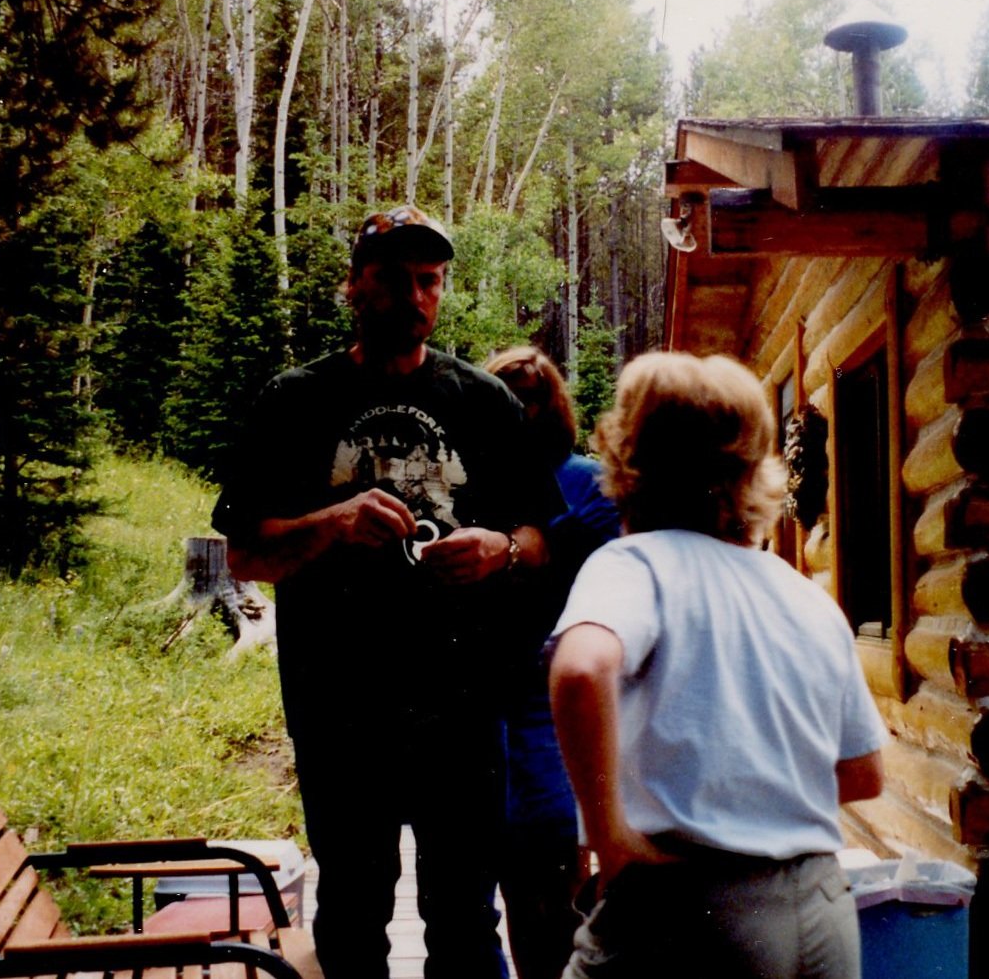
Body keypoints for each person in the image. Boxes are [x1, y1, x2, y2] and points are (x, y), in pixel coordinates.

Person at [211, 205, 563, 979]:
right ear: (354, 286)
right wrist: (333, 523)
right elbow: (244, 553)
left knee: (466, 921)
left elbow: (543, 540)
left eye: (429, 280)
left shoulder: (484, 402)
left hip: (463, 711)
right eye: (394, 278)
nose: (414, 296)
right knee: (352, 914)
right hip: (339, 710)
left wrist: (500, 549)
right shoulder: (295, 401)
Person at [547, 352, 888, 979]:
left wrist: (610, 836)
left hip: (692, 909)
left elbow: (580, 670)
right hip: (821, 909)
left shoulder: (635, 564)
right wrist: (755, 800)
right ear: (753, 469)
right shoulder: (803, 594)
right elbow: (863, 773)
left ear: (624, 457)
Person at [483, 347, 620, 979]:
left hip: (558, 696)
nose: (523, 410)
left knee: (556, 874)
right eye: (508, 397)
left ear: (553, 405)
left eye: (533, 398)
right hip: (484, 696)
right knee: (495, 883)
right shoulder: (474, 482)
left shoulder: (589, 481)